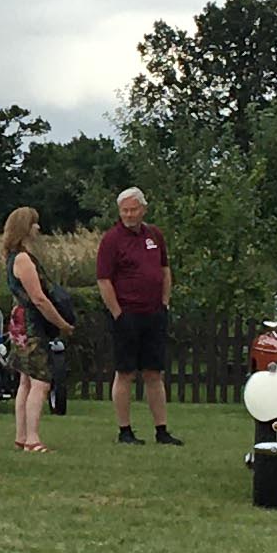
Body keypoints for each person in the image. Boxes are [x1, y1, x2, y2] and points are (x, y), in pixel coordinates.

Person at [96, 187, 181, 446]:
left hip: (154, 313)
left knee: (154, 373)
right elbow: (104, 280)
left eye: (133, 210)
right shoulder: (112, 240)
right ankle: (125, 430)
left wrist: (164, 303)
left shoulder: (154, 235)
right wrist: (118, 313)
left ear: (143, 209)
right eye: (125, 210)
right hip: (127, 314)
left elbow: (164, 270)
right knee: (125, 372)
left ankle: (161, 430)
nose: (129, 215)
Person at [1, 206, 80, 453]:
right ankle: (33, 439)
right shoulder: (23, 259)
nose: (38, 228)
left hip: (19, 323)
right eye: (34, 223)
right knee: (41, 381)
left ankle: (21, 436)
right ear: (25, 228)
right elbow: (39, 299)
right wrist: (62, 324)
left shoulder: (13, 257)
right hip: (31, 325)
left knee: (25, 380)